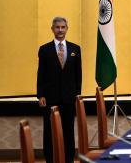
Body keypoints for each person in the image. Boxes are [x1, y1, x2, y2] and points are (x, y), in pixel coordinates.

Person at [37, 17, 81, 163]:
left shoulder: (75, 49)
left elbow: (78, 75)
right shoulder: (44, 49)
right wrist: (40, 95)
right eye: (57, 27)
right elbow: (41, 73)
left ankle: (69, 159)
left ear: (67, 28)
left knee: (68, 131)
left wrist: (77, 96)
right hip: (50, 98)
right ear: (52, 29)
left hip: (69, 99)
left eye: (63, 27)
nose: (60, 30)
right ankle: (50, 159)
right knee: (49, 132)